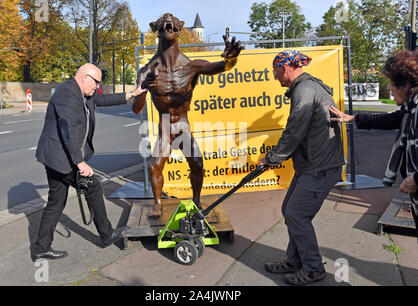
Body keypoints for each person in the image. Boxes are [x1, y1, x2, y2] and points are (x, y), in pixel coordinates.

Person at [132, 13, 243, 218]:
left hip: (183, 125)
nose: (168, 27)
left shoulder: (191, 66)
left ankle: (196, 200)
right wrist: (144, 88)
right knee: (154, 166)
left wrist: (232, 59)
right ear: (157, 31)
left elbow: (221, 67)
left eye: (172, 25)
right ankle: (157, 204)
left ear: (179, 30)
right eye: (164, 26)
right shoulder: (146, 70)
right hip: (165, 125)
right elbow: (137, 109)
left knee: (198, 164)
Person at [32, 63, 146, 261]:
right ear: (85, 77)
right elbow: (66, 129)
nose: (97, 87)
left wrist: (133, 93)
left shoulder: (81, 93)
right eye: (96, 83)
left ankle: (41, 247)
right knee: (93, 186)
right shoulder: (67, 94)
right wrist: (80, 163)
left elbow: (101, 100)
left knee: (55, 202)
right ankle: (107, 234)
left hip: (57, 156)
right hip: (61, 157)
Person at [258, 50, 346, 285]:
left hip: (321, 166)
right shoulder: (306, 87)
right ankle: (295, 260)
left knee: (297, 215)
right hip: (312, 164)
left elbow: (294, 130)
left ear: (284, 68)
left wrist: (273, 158)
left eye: (275, 71)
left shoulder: (304, 90)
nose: (275, 76)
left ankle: (313, 268)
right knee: (290, 210)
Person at [330, 49, 418, 242]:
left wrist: (416, 179)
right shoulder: (411, 110)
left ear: (404, 85)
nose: (388, 88)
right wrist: (353, 118)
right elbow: (392, 119)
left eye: (391, 82)